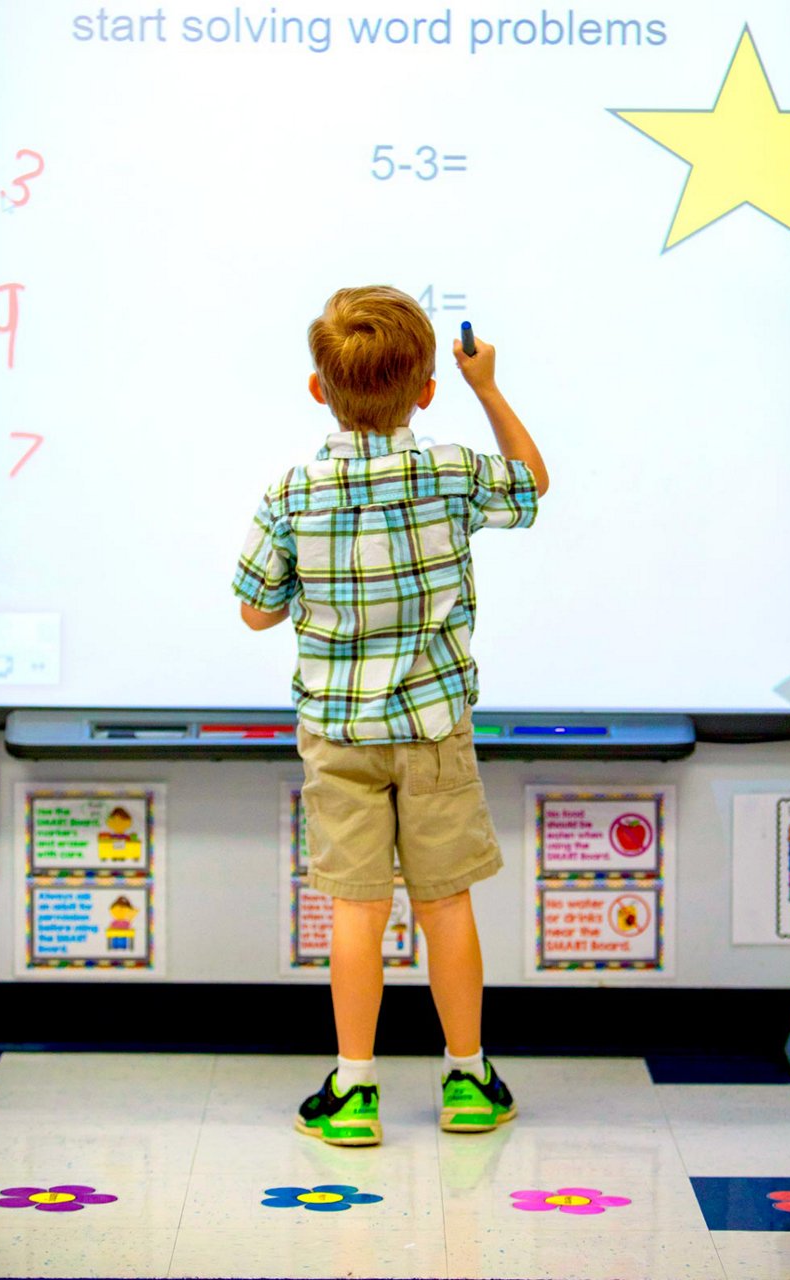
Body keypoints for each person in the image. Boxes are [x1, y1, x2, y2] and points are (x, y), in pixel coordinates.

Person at [232, 285, 548, 1146]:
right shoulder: (449, 470)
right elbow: (530, 486)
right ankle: (467, 1080)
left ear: (316, 389)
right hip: (436, 730)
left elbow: (256, 611)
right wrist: (488, 387)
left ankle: (355, 1088)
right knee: (446, 905)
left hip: (339, 740)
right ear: (426, 392)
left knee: (356, 913)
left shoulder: (292, 491)